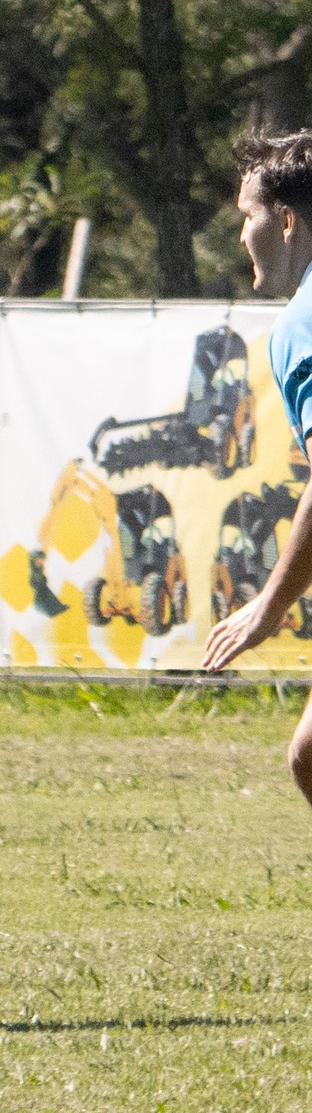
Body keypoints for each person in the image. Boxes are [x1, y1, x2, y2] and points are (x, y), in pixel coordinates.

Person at [204, 131, 312, 799]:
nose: (243, 235)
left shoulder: (302, 325)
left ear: (290, 219)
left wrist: (269, 607)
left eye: (249, 216)